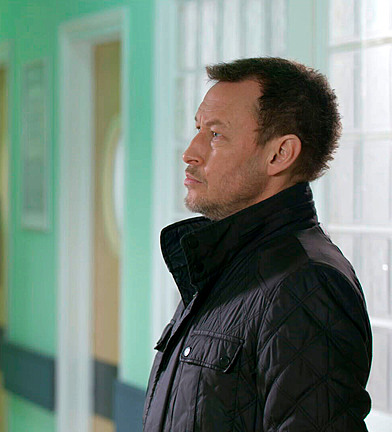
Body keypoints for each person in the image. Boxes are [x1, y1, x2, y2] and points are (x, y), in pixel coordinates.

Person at [143, 57, 372, 431]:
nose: (190, 152)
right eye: (199, 128)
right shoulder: (224, 265)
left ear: (279, 154)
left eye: (215, 134)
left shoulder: (307, 284)